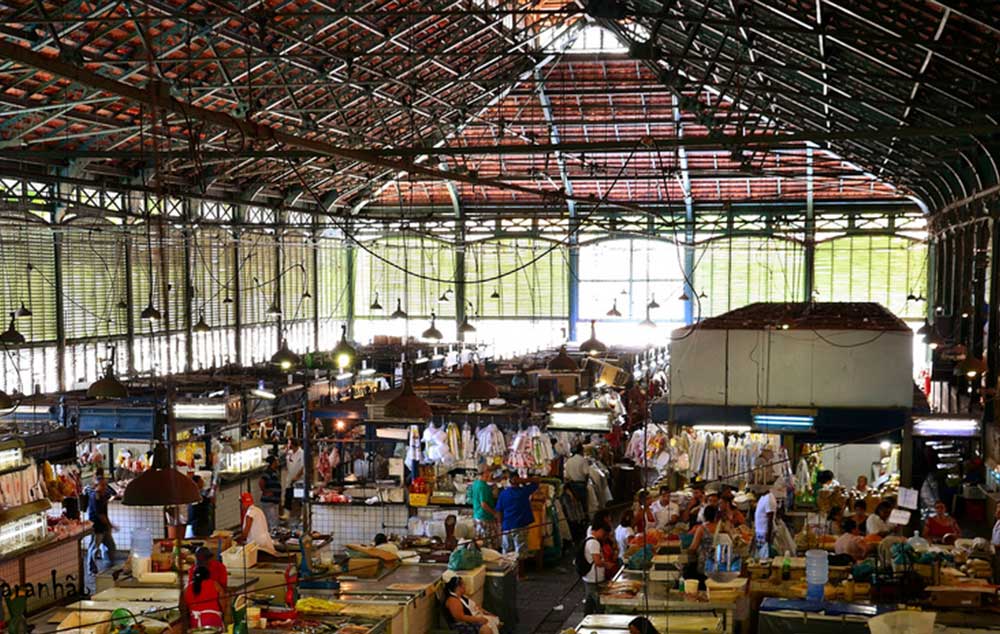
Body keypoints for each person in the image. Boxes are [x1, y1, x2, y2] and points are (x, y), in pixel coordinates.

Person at [493, 472, 539, 559]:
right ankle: (519, 571)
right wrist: (522, 481)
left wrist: (500, 526)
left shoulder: (503, 493)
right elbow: (537, 481)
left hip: (507, 527)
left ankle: (510, 571)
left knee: (507, 554)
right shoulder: (524, 491)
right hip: (520, 526)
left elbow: (499, 511)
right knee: (520, 554)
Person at [581, 519, 616, 615]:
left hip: (589, 576)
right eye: (604, 534)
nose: (604, 537)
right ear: (600, 530)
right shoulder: (594, 542)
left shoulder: (588, 539)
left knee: (589, 600)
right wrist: (607, 564)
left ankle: (587, 618)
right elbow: (597, 561)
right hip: (594, 577)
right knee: (598, 602)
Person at [183, 565, 228, 629]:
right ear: (208, 575)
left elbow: (182, 608)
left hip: (195, 621)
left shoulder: (186, 588)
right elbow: (223, 605)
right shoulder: (215, 585)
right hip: (214, 619)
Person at [87, 475, 116, 574]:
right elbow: (100, 515)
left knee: (111, 546)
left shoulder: (103, 494)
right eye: (102, 485)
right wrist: (111, 525)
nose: (105, 487)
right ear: (96, 486)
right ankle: (92, 569)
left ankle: (109, 565)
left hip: (104, 526)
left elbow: (113, 493)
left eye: (105, 485)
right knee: (94, 548)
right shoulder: (95, 496)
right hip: (97, 527)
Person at [468, 463, 500, 548]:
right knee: (487, 544)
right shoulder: (483, 486)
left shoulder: (475, 483)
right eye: (489, 472)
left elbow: (471, 498)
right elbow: (484, 504)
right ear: (485, 473)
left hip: (477, 516)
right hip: (485, 518)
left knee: (480, 542)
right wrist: (495, 513)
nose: (490, 474)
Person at [239, 491, 278, 556]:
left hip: (257, 543)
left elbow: (245, 533)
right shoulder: (258, 510)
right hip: (266, 540)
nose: (241, 506)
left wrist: (238, 540)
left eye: (241, 504)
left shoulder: (250, 514)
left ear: (244, 504)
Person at [754, 479, 785, 559]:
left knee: (765, 557)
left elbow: (770, 519)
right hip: (760, 533)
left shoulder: (769, 498)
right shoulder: (762, 497)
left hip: (764, 533)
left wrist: (768, 538)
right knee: (761, 556)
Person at [688, 505, 720, 581]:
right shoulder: (722, 527)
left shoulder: (702, 529)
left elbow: (693, 547)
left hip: (705, 561)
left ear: (704, 516)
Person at [258, 455, 282, 528]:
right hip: (269, 502)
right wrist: (265, 491)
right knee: (272, 522)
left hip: (273, 501)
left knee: (273, 521)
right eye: (276, 461)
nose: (277, 462)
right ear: (273, 462)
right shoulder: (268, 472)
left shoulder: (274, 472)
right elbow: (261, 482)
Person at [284, 438, 304, 520]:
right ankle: (286, 514)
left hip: (300, 480)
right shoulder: (289, 453)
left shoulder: (302, 453)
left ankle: (303, 514)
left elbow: (303, 467)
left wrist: (297, 477)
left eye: (289, 443)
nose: (288, 445)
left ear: (293, 444)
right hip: (290, 478)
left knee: (300, 497)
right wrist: (285, 452)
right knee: (288, 496)